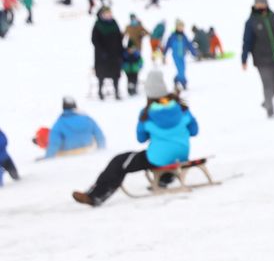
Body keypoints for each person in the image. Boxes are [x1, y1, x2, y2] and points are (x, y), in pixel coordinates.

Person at [72, 71, 199, 206]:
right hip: (182, 154)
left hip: (158, 158)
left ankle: (95, 196)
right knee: (162, 153)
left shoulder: (146, 113)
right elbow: (194, 131)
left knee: (120, 162)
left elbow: (141, 138)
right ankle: (165, 179)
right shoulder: (182, 108)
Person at [241, 0, 274, 118]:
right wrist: (244, 58)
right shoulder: (251, 22)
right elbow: (246, 41)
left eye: (262, 2)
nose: (260, 5)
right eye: (258, 3)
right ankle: (270, 110)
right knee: (267, 84)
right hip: (261, 59)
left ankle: (266, 101)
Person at [91, 6, 124, 100]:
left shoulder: (114, 23)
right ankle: (100, 92)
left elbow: (119, 38)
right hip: (102, 56)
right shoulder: (98, 25)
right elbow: (94, 40)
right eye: (106, 14)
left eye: (109, 13)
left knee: (116, 74)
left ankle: (117, 91)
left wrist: (121, 50)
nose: (109, 15)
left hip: (115, 53)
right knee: (102, 73)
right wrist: (101, 51)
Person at [163, 20, 198, 89]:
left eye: (182, 27)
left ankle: (177, 80)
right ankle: (183, 82)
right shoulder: (172, 36)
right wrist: (164, 53)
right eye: (180, 26)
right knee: (180, 69)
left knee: (183, 69)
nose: (181, 28)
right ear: (176, 27)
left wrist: (194, 52)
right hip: (175, 56)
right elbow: (167, 45)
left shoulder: (184, 36)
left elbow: (189, 44)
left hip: (182, 55)